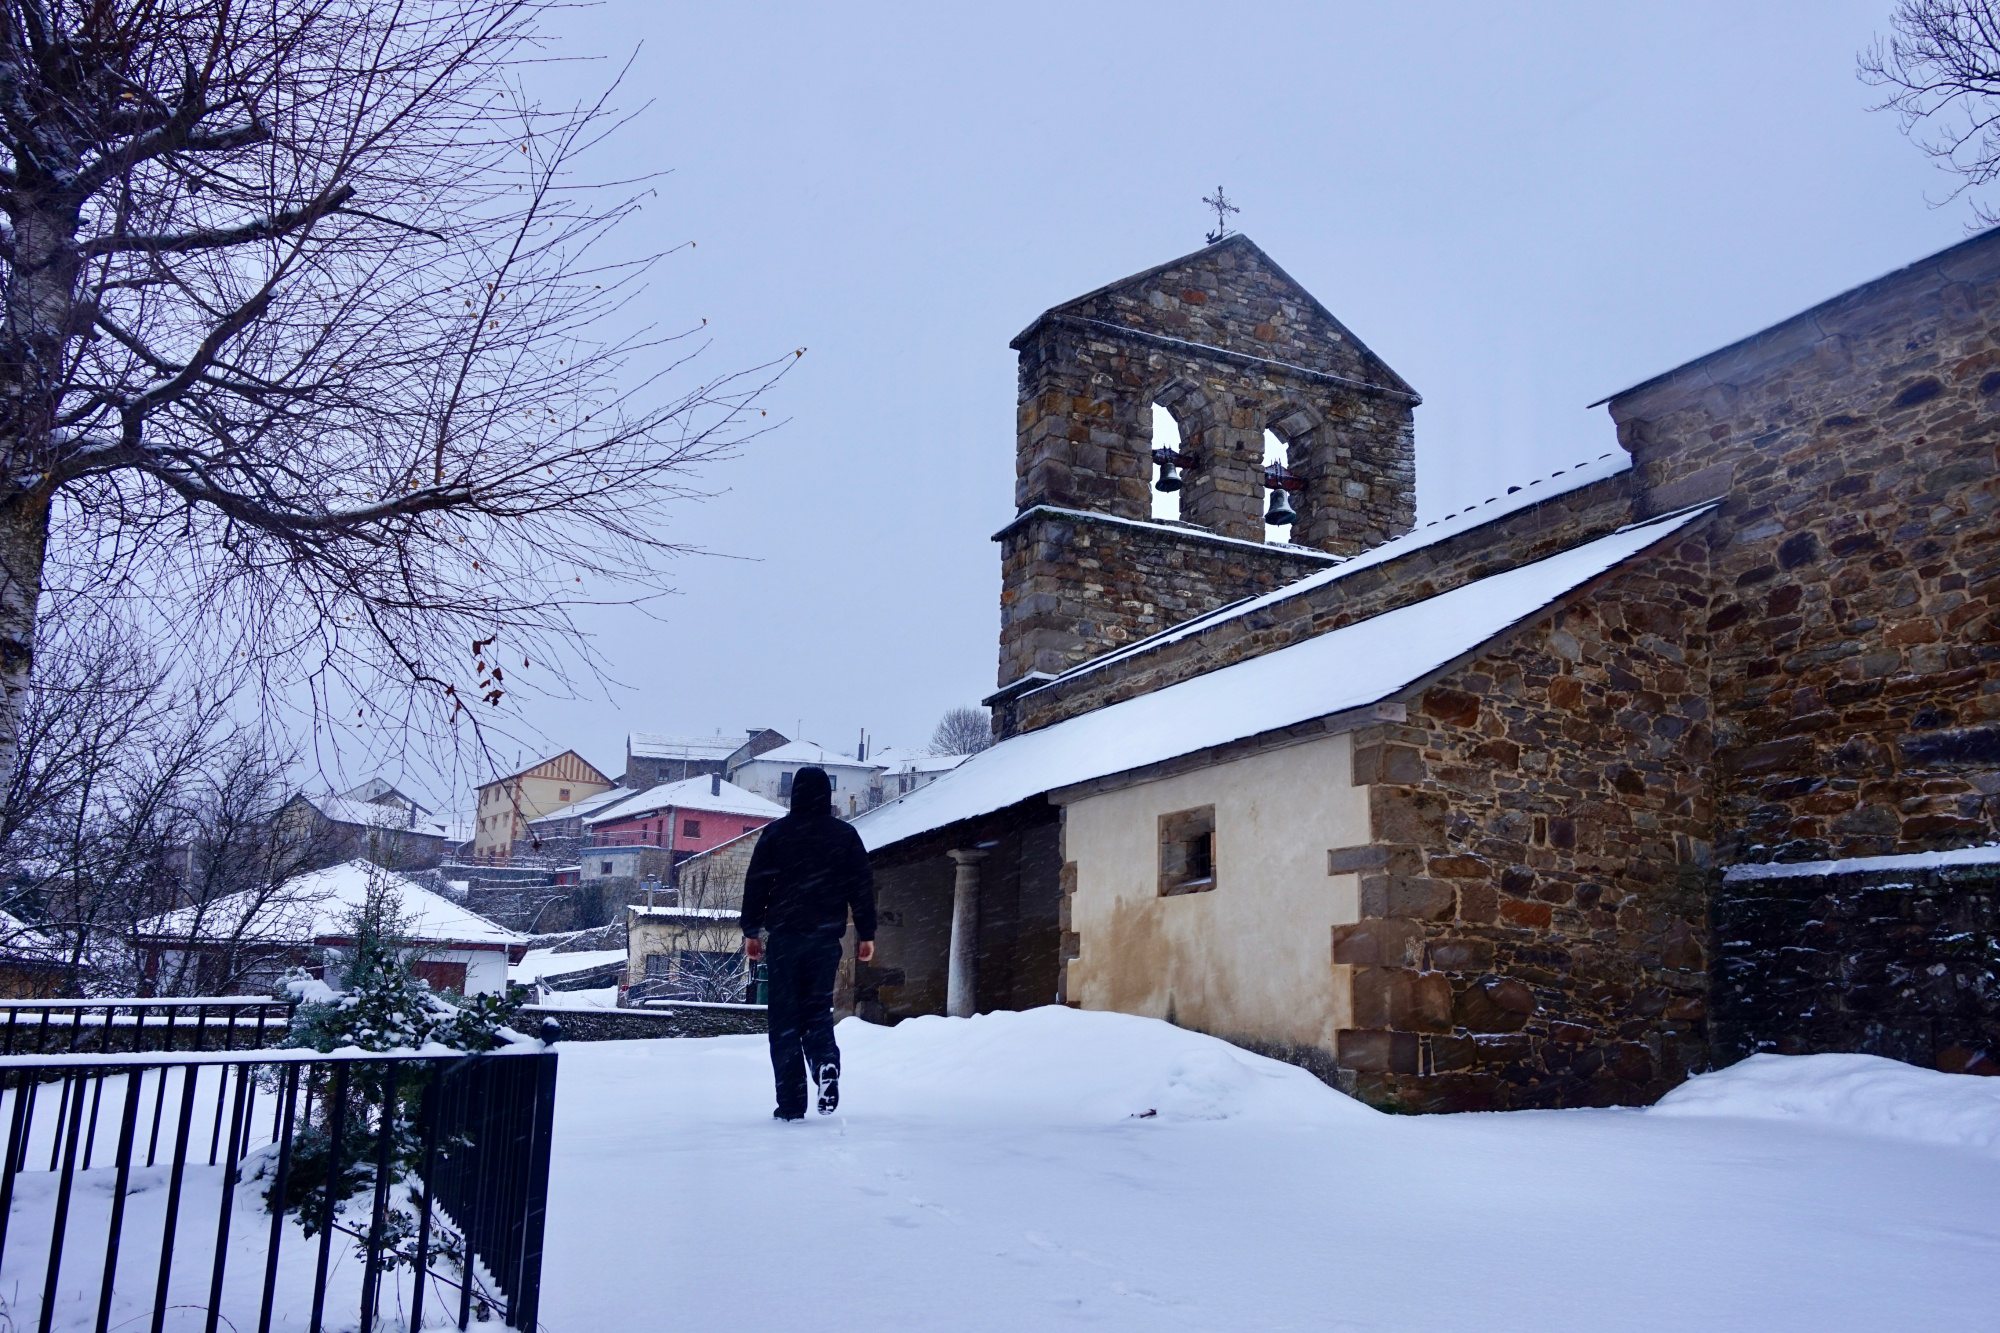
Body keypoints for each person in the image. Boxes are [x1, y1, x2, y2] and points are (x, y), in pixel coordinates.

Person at [740, 765, 877, 1120]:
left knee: (784, 1019)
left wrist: (751, 930)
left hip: (785, 939)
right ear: (827, 796)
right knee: (817, 1012)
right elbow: (861, 887)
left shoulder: (775, 835)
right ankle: (825, 1064)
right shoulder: (845, 836)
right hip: (825, 939)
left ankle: (791, 1103)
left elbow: (756, 885)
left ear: (794, 794)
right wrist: (866, 933)